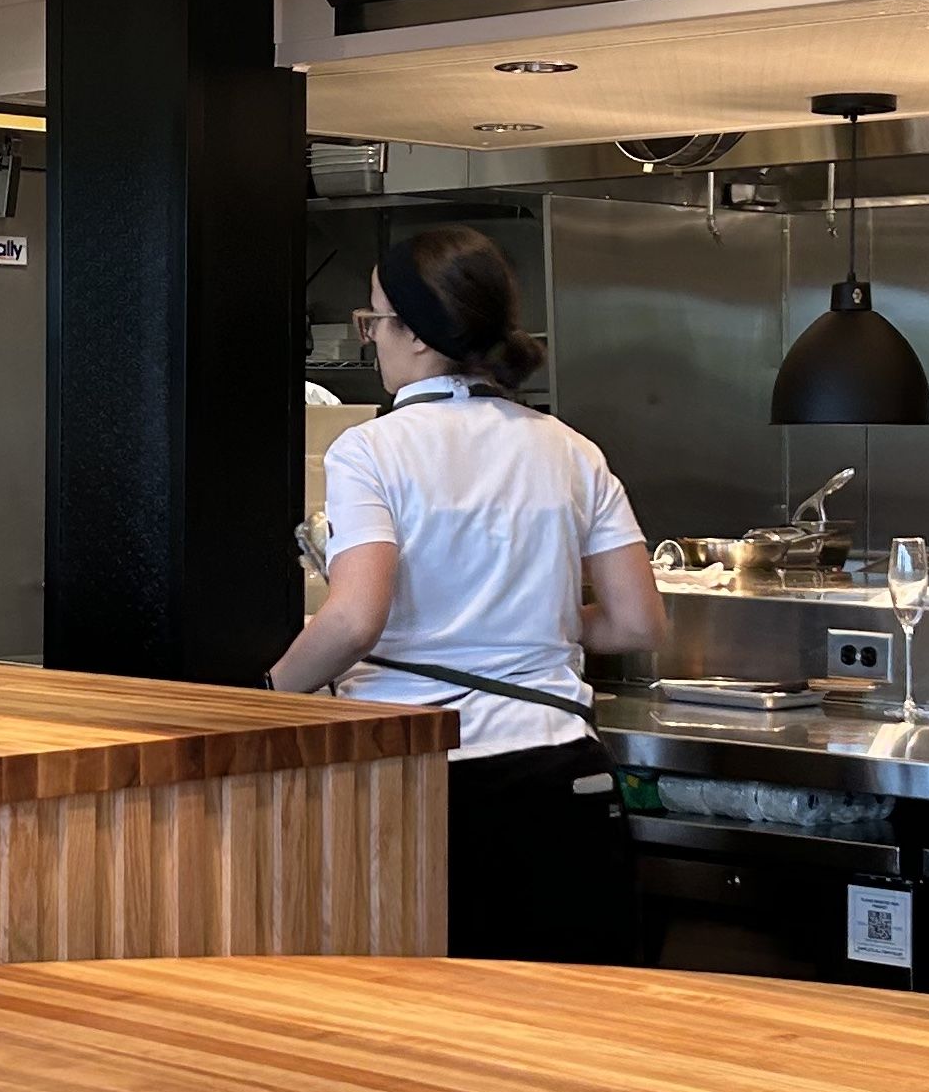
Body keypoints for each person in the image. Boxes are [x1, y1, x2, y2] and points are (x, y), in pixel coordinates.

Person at [266, 225, 665, 964]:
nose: (372, 339)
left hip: (421, 783)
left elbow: (354, 618)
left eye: (375, 321)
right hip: (560, 774)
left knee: (432, 1040)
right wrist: (524, 622)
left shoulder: (371, 448)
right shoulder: (571, 449)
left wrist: (266, 696)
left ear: (415, 334)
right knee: (576, 1031)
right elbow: (637, 621)